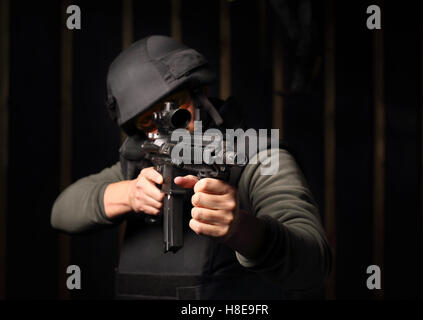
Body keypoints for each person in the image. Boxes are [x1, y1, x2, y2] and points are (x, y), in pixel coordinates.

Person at [51, 35, 331, 299]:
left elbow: (313, 263)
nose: (168, 128)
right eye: (148, 122)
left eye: (177, 109)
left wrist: (241, 229)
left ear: (200, 93)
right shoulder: (143, 166)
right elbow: (61, 213)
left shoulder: (257, 157)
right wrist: (129, 194)